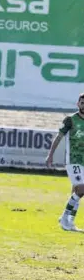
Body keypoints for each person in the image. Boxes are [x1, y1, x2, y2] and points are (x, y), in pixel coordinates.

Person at [46, 92, 84, 232]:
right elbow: (59, 137)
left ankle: (70, 222)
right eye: (82, 102)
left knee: (76, 191)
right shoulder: (70, 120)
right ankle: (64, 218)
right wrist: (50, 155)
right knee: (81, 189)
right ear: (78, 104)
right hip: (73, 160)